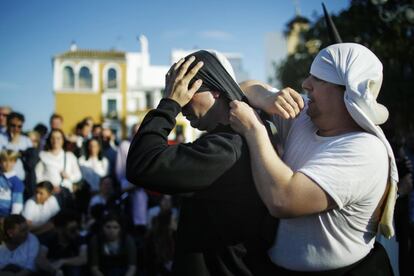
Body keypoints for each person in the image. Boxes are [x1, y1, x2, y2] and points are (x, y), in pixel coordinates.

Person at [229, 43, 397, 274]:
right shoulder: (304, 116)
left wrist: (252, 129)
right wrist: (268, 96)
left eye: (318, 79)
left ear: (346, 91)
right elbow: (243, 87)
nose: (305, 84)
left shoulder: (365, 149)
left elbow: (283, 200)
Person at [127, 50, 277, 276]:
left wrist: (169, 104)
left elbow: (142, 164)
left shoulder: (227, 149)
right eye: (179, 94)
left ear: (216, 91)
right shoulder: (231, 139)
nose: (183, 105)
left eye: (188, 92)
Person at [36, 210, 87, 276]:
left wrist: (62, 261)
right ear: (59, 229)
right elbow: (40, 259)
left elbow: (83, 258)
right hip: (55, 272)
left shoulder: (79, 238)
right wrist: (53, 270)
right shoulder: (49, 239)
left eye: (77, 228)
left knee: (74, 268)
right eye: (72, 230)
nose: (77, 232)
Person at [35, 129, 82, 194]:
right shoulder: (42, 156)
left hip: (65, 193)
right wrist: (48, 187)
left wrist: (68, 176)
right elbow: (38, 176)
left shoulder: (70, 156)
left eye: (58, 138)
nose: (55, 141)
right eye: (53, 138)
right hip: (49, 193)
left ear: (63, 140)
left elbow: (78, 175)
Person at [0, 150, 24, 219]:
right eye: (4, 161)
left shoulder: (16, 182)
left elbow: (17, 204)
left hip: (5, 217)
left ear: (15, 162)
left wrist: (12, 220)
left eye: (11, 161)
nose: (7, 164)